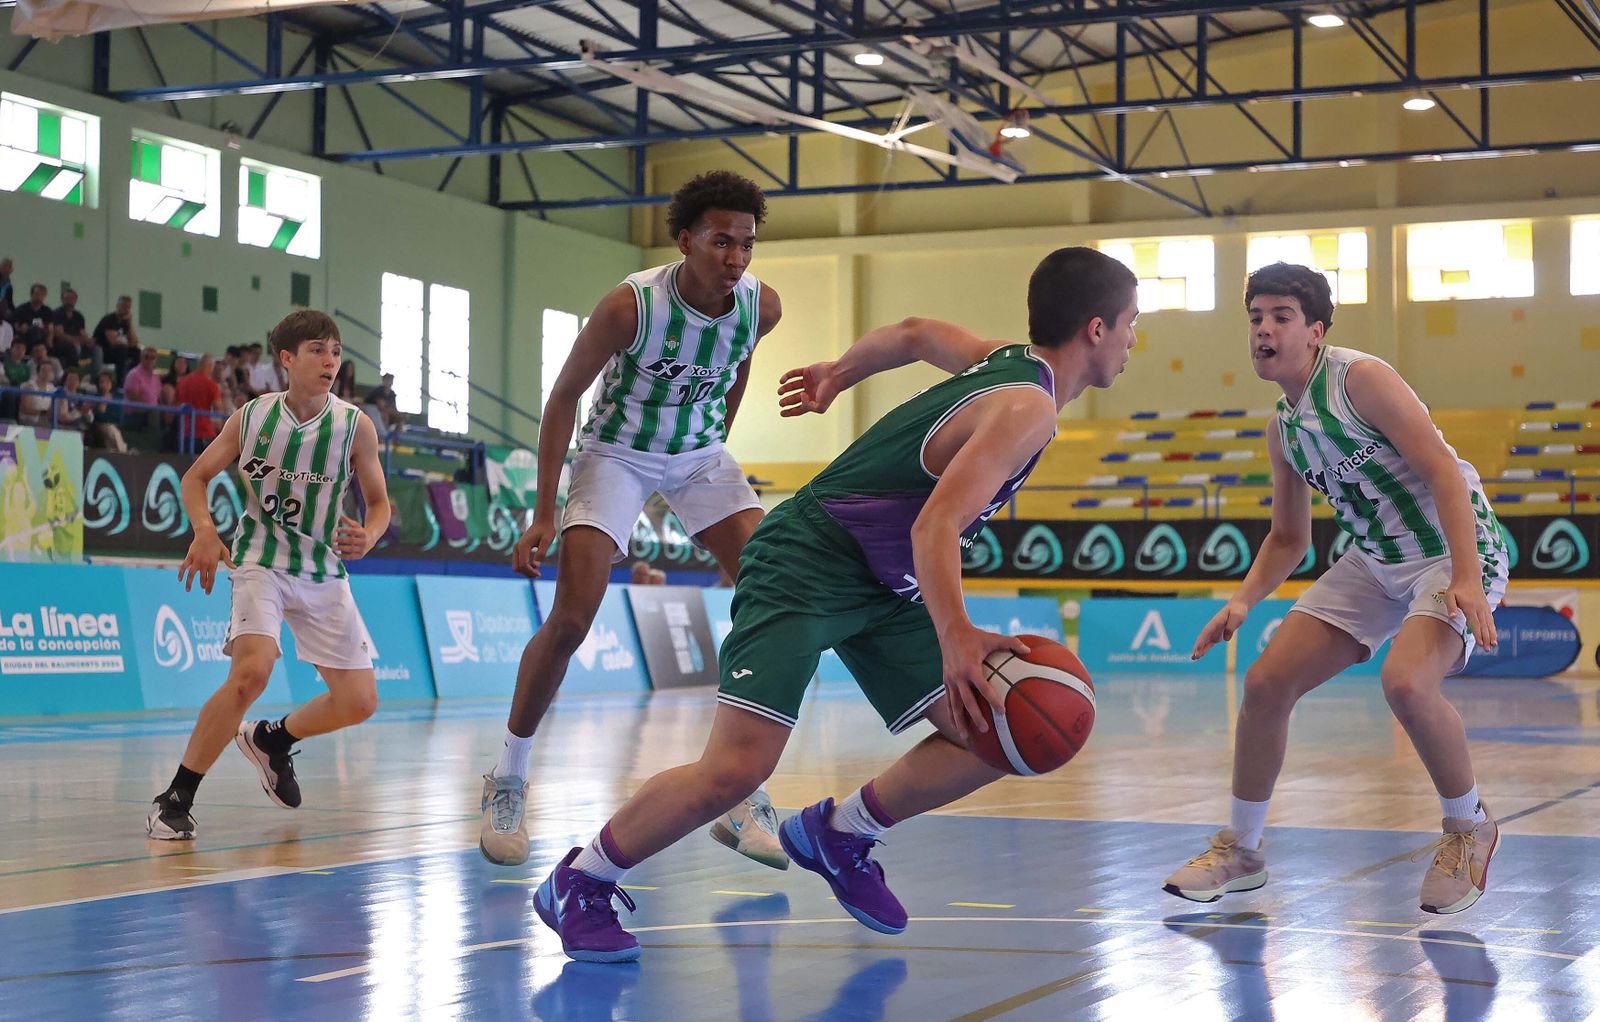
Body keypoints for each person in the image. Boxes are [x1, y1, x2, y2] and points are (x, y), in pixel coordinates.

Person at [530, 247, 1139, 964]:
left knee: (997, 729)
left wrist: (840, 372)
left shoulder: (1009, 363)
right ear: (1096, 328)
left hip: (881, 580)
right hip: (809, 559)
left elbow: (914, 333)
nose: (1133, 340)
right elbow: (935, 526)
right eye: (1131, 324)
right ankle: (580, 880)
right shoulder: (1027, 407)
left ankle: (841, 832)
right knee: (735, 771)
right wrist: (957, 636)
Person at [1161, 263, 1509, 916]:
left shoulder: (1360, 380)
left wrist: (1467, 577)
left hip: (1450, 548)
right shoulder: (1283, 429)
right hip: (1375, 559)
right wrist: (1242, 601)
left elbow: (1442, 470)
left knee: (1407, 684)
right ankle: (1243, 851)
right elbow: (1288, 537)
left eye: (1281, 317)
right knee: (1266, 684)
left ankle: (1470, 827)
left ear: (1316, 331)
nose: (1264, 330)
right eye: (1255, 318)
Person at [478, 171, 786, 871]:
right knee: (572, 620)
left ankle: (739, 788)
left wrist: (716, 444)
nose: (736, 258)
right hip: (616, 453)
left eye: (746, 244)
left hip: (699, 454)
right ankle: (508, 777)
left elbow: (737, 365)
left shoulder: (760, 307)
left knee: (774, 593)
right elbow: (563, 397)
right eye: (721, 242)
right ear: (685, 241)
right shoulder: (630, 307)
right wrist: (544, 511)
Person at [146, 310, 392, 841]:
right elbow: (195, 478)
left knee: (360, 702)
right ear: (287, 359)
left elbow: (379, 504)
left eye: (335, 351)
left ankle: (272, 740)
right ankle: (176, 797)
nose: (330, 361)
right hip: (260, 560)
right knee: (251, 673)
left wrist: (370, 535)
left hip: (323, 569)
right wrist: (205, 531)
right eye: (317, 350)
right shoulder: (252, 418)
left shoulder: (354, 426)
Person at [93, 295, 139, 382]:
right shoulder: (109, 319)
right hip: (102, 351)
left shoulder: (125, 322)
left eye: (128, 307)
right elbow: (113, 342)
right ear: (118, 306)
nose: (126, 310)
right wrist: (127, 344)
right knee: (122, 350)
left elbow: (134, 343)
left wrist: (130, 324)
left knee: (136, 352)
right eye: (124, 306)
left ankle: (133, 379)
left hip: (118, 351)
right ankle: (120, 381)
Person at [52, 288, 88, 369]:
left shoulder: (79, 316)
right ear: (62, 300)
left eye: (72, 298)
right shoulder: (57, 314)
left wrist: (88, 340)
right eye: (67, 298)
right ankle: (72, 370)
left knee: (96, 348)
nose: (69, 301)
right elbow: (59, 334)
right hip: (59, 343)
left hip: (76, 341)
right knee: (72, 347)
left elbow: (83, 333)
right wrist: (75, 340)